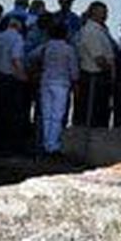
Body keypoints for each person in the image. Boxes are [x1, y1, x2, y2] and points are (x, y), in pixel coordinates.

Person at [37, 22, 80, 154]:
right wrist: (75, 81)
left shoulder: (45, 47)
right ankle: (53, 144)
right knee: (57, 115)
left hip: (46, 81)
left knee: (46, 114)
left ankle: (45, 142)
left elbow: (32, 58)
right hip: (61, 83)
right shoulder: (68, 49)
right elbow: (73, 70)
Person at [0, 17, 29, 151]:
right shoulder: (17, 39)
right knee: (11, 112)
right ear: (19, 27)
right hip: (11, 78)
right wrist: (23, 76)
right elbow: (15, 58)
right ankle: (9, 145)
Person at [74, 1, 116, 127]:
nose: (105, 16)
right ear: (94, 13)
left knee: (101, 111)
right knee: (93, 112)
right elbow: (99, 59)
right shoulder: (91, 31)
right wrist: (111, 70)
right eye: (103, 13)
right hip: (94, 77)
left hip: (99, 77)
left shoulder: (101, 30)